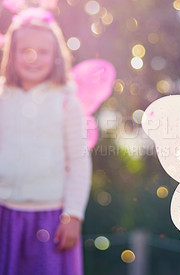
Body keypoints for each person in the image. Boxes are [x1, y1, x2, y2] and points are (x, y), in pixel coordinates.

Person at [0, 8, 91, 275]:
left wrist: (73, 215)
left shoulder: (66, 102)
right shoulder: (3, 99)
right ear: (11, 54)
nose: (33, 58)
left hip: (51, 219)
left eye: (42, 52)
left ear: (56, 57)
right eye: (25, 51)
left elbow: (79, 162)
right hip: (5, 214)